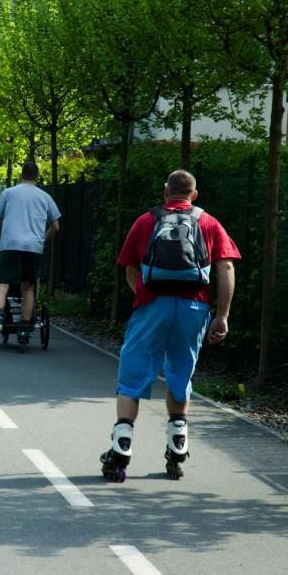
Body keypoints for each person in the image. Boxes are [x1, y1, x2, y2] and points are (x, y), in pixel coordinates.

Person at [100, 169, 240, 482]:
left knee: (133, 375)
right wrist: (222, 315)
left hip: (152, 305)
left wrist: (147, 298)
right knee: (180, 373)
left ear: (166, 192)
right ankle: (178, 445)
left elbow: (130, 270)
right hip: (194, 306)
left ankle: (121, 446)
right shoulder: (208, 222)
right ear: (195, 194)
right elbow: (226, 267)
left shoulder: (145, 221)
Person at [0, 161, 61, 349]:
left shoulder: (8, 193)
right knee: (28, 286)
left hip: (10, 244)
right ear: (37, 176)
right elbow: (56, 226)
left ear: (21, 175)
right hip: (33, 247)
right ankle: (25, 327)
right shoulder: (45, 197)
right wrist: (42, 239)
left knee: (2, 282)